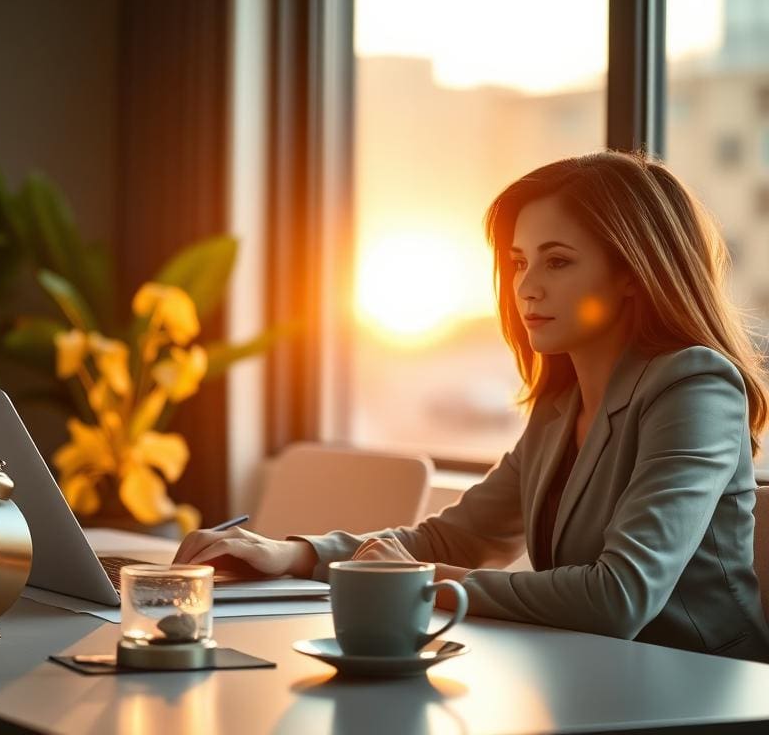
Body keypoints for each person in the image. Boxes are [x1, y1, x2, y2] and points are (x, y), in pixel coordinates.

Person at [174, 151, 769, 661]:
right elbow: (458, 539)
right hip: (594, 675)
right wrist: (293, 553)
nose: (527, 285)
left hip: (704, 691)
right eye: (518, 262)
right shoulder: (562, 404)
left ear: (632, 275)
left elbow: (619, 597)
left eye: (558, 261)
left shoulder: (696, 386)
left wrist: (415, 580)